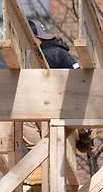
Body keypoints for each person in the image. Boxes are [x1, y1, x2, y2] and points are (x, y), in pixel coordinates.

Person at [24, 19, 94, 154]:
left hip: (63, 104)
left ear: (36, 39)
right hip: (69, 104)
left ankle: (38, 155)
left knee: (22, 120)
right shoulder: (59, 52)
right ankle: (83, 133)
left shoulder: (46, 55)